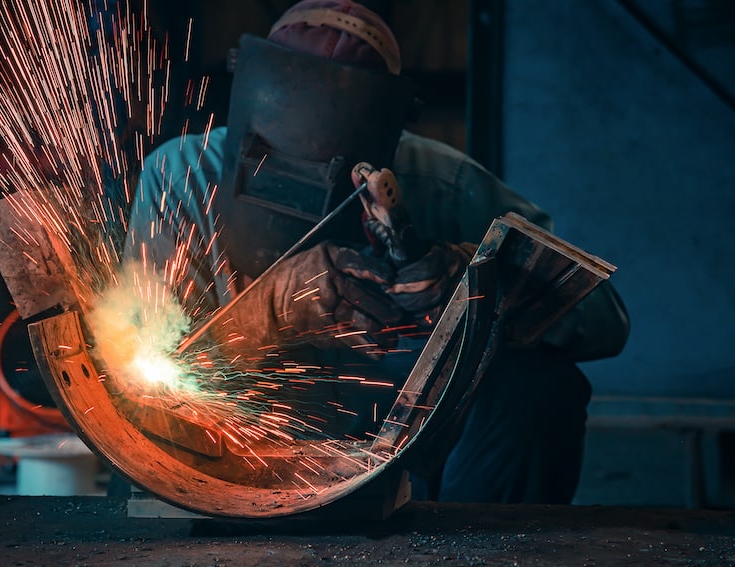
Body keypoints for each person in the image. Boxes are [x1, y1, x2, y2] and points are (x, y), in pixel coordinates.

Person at [123, 0, 629, 504]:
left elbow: (606, 322)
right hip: (235, 460)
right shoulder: (183, 178)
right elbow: (143, 373)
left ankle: (484, 550)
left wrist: (470, 282)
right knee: (148, 425)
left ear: (389, 123)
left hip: (406, 454)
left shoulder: (441, 182)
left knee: (542, 389)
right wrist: (270, 310)